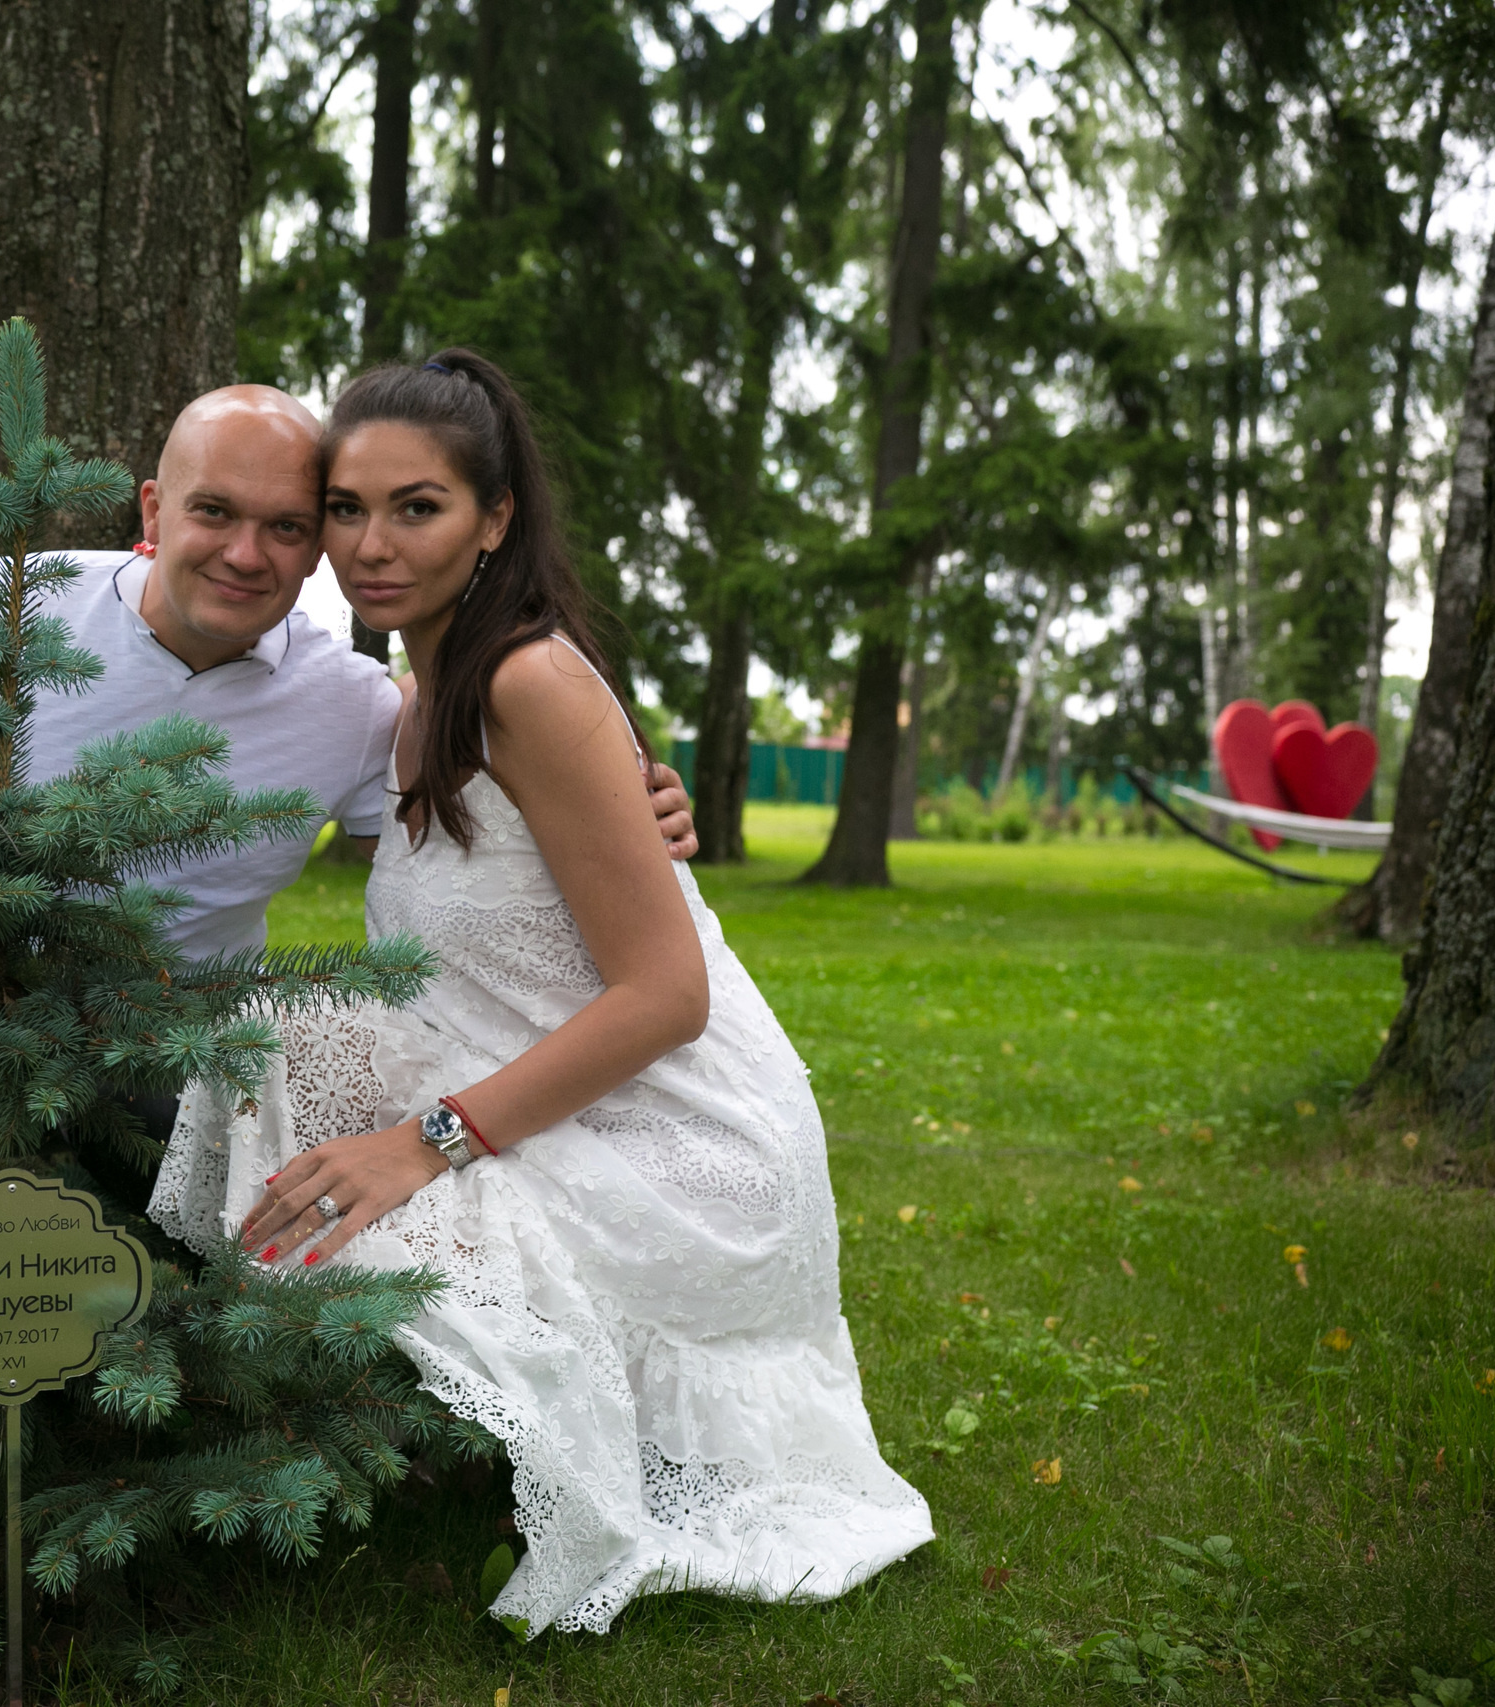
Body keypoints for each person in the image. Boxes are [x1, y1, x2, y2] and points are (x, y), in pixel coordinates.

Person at [149, 351, 931, 1634]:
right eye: (344, 509)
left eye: (418, 507)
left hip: (681, 1140)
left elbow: (667, 996)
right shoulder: (415, 702)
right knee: (274, 1032)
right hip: (551, 1091)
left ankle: (402, 1441)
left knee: (339, 1141)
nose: (371, 546)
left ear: (494, 518)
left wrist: (422, 1143)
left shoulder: (528, 681)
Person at [0, 384, 698, 1188]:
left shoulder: (352, 706)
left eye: (287, 526)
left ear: (315, 547)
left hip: (162, 1050)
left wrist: (626, 799)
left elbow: (462, 800)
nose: (244, 555)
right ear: (153, 508)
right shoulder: (6, 609)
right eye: (213, 511)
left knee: (191, 1179)